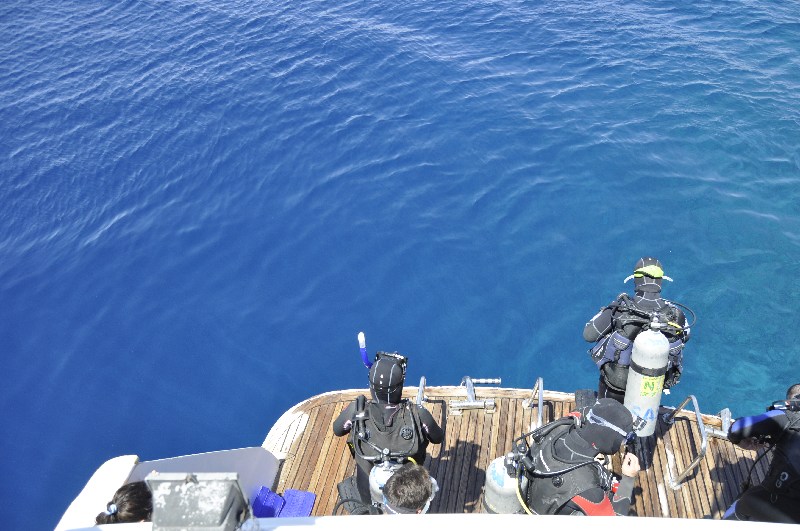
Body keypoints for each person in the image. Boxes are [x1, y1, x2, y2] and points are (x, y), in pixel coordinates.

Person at [332, 351, 444, 505]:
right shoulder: (418, 413)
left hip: (368, 493)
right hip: (408, 491)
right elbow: (438, 438)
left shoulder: (356, 410)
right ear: (399, 387)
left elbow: (338, 430)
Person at [584, 257, 691, 403]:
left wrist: (608, 310)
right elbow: (686, 337)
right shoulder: (676, 314)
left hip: (616, 387)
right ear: (660, 281)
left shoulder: (620, 309)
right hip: (651, 390)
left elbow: (589, 334)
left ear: (636, 279)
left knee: (607, 412)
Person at [518, 398, 641, 515]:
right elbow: (614, 522)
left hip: (536, 491)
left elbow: (587, 413)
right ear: (609, 440)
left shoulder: (561, 426)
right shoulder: (590, 492)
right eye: (623, 440)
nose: (623, 444)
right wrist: (628, 479)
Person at [723, 384, 800, 523]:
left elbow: (736, 429)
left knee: (742, 504)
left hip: (781, 503)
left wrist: (742, 441)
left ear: (791, 401)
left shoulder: (787, 416)